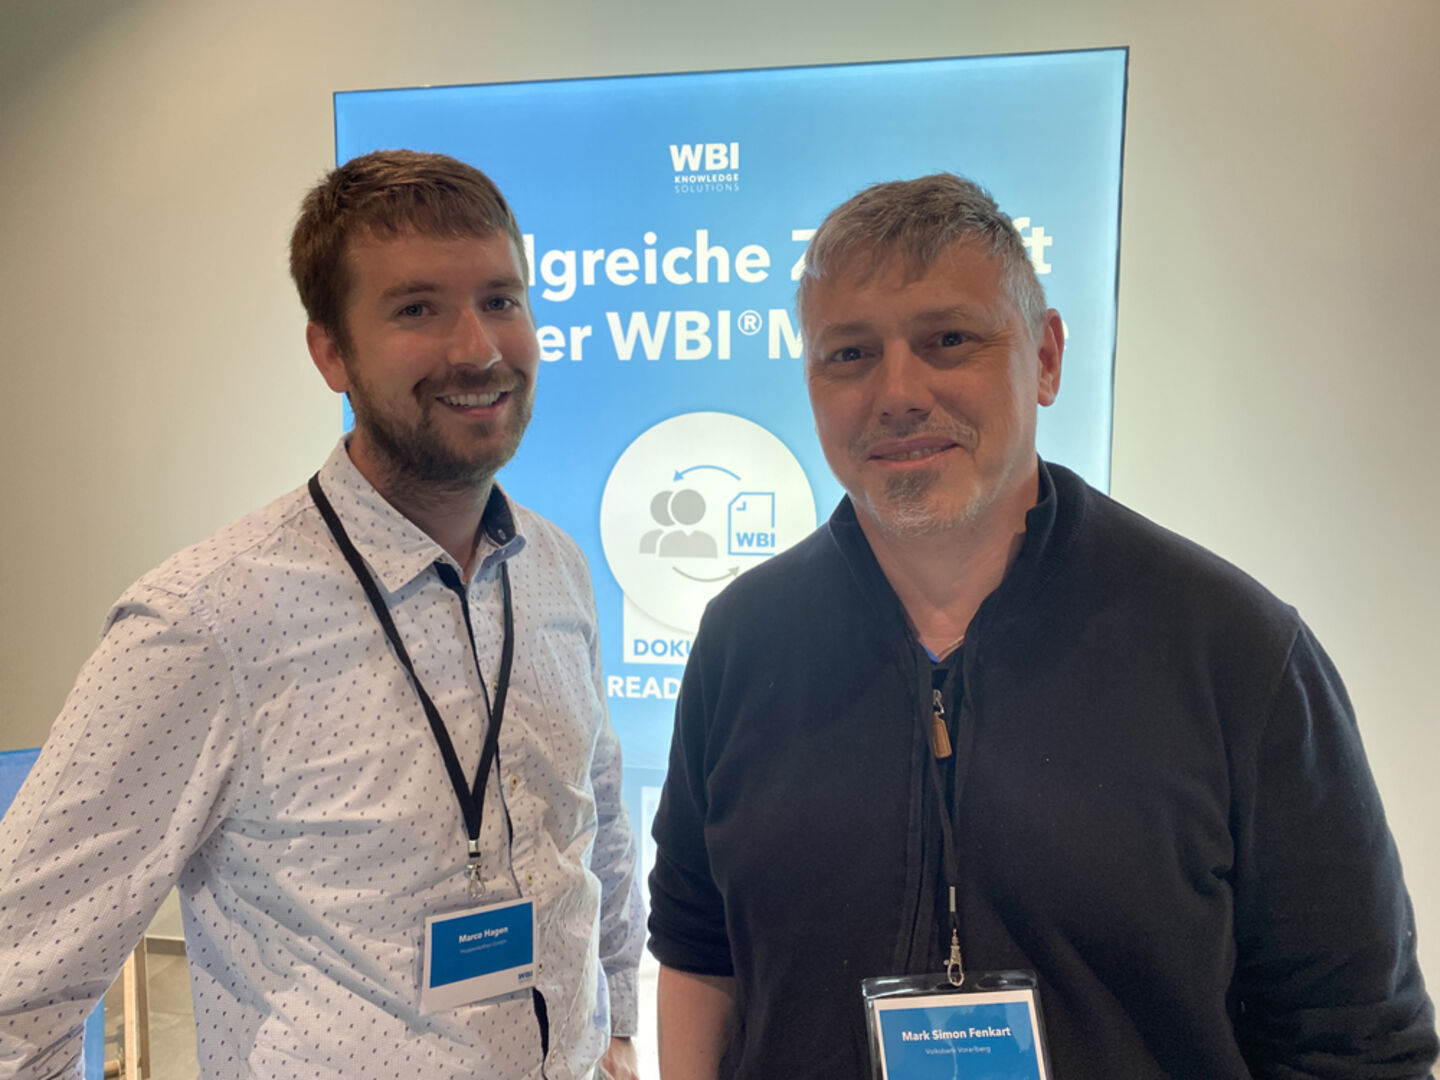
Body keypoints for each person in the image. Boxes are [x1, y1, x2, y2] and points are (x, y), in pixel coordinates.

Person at [647, 174, 1437, 1079]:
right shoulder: (741, 644)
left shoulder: (1235, 650)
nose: (897, 392)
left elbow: (1355, 1037)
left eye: (949, 340)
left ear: (1047, 358)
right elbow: (700, 954)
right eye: (850, 354)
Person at [0, 150, 642, 1080]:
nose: (478, 348)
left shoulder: (556, 569)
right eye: (417, 309)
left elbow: (597, 825)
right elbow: (17, 989)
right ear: (330, 351)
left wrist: (616, 1026)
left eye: (501, 299)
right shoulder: (202, 625)